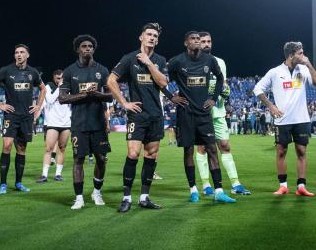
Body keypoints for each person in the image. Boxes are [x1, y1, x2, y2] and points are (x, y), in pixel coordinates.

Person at [107, 23, 170, 213]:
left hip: (155, 115)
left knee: (150, 156)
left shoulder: (159, 59)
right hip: (137, 115)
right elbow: (110, 81)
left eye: (155, 36)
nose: (152, 37)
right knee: (133, 154)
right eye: (148, 34)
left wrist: (149, 63)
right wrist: (124, 103)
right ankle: (126, 197)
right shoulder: (129, 59)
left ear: (157, 40)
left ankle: (144, 197)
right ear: (141, 37)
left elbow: (163, 83)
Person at [167, 31, 235, 204]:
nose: (197, 41)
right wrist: (170, 96)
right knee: (188, 150)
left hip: (204, 113)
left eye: (199, 39)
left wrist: (213, 98)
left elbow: (220, 78)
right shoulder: (177, 61)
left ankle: (219, 191)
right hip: (185, 113)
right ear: (186, 43)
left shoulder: (209, 60)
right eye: (193, 39)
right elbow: (161, 78)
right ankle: (193, 189)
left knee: (212, 149)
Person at [254, 41, 316, 197]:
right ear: (291, 55)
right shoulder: (275, 72)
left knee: (301, 151)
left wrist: (309, 64)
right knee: (281, 151)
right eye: (300, 53)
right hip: (282, 120)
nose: (303, 56)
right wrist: (271, 106)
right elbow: (258, 89)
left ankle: (301, 186)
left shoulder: (304, 69)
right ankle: (283, 186)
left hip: (301, 118)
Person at [59, 35, 113, 210]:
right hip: (79, 124)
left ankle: (97, 192)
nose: (87, 48)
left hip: (98, 123)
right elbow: (62, 98)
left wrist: (98, 94)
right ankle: (79, 197)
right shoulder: (69, 71)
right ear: (78, 49)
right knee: (78, 160)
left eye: (90, 46)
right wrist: (84, 95)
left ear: (94, 49)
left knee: (101, 159)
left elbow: (112, 95)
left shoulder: (103, 70)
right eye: (84, 46)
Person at [0, 44, 47, 195]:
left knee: (22, 149)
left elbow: (43, 88)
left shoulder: (33, 72)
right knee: (6, 145)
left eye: (22, 52)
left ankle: (19, 182)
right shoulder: (6, 70)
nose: (19, 55)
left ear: (27, 55)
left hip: (26, 116)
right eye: (16, 52)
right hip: (11, 115)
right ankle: (3, 184)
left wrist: (38, 106)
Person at [194, 32, 251, 196]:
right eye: (203, 41)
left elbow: (223, 84)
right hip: (201, 113)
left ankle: (235, 183)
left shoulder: (220, 62)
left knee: (225, 146)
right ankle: (206, 185)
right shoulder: (192, 63)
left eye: (209, 41)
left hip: (218, 111)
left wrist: (226, 91)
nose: (206, 44)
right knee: (202, 148)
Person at [36, 70, 70, 183]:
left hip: (66, 123)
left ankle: (58, 174)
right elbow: (50, 100)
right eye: (57, 78)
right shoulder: (49, 86)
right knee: (49, 148)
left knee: (62, 148)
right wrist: (60, 87)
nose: (59, 80)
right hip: (53, 122)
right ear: (54, 78)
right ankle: (44, 175)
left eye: (61, 78)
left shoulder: (68, 86)